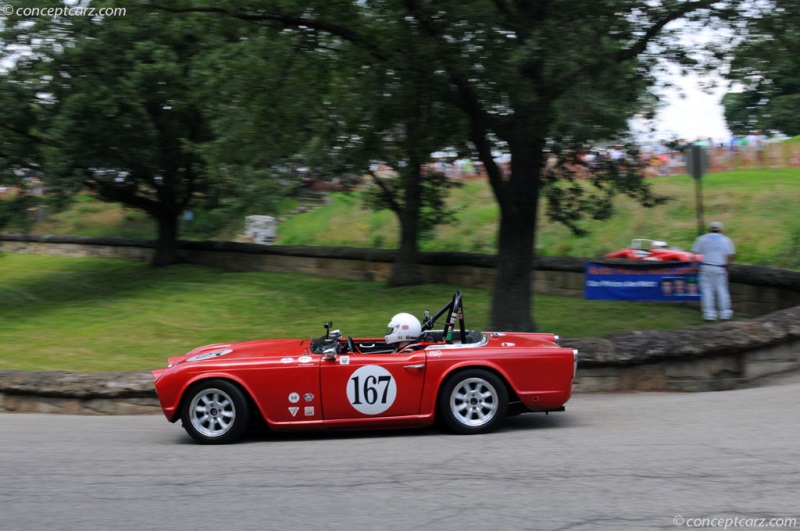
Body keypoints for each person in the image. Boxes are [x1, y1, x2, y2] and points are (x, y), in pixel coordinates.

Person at [692, 221, 736, 321]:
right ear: (720, 230)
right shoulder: (726, 240)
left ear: (710, 229)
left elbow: (694, 254)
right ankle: (725, 314)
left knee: (707, 292)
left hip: (706, 267)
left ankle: (709, 315)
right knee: (722, 290)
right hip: (720, 267)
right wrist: (728, 266)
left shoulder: (702, 238)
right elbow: (731, 255)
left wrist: (694, 265)